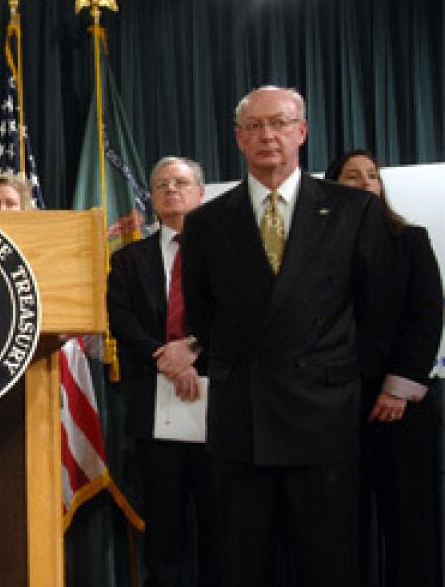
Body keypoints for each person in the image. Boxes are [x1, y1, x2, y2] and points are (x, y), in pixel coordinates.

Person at [181, 86, 392, 587]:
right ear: (238, 138)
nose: (267, 135)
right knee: (240, 567)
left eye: (278, 122)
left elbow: (375, 311)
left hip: (324, 419)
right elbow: (204, 316)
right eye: (254, 126)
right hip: (242, 423)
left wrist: (347, 382)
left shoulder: (351, 211)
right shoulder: (208, 221)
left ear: (302, 131)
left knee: (331, 565)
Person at [325, 149, 443, 587]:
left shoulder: (410, 240)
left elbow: (426, 316)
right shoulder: (315, 252)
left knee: (409, 530)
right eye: (352, 176)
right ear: (333, 188)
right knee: (339, 534)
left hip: (400, 408)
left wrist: (397, 389)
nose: (364, 182)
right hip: (334, 409)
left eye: (371, 175)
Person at [107, 157, 219, 587]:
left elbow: (237, 313)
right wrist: (165, 358)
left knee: (220, 527)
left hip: (220, 410)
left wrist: (192, 348)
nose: (171, 189)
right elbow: (121, 320)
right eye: (161, 184)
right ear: (151, 198)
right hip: (154, 409)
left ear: (199, 193)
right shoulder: (129, 259)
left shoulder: (227, 253)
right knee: (164, 529)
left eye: (181, 182)